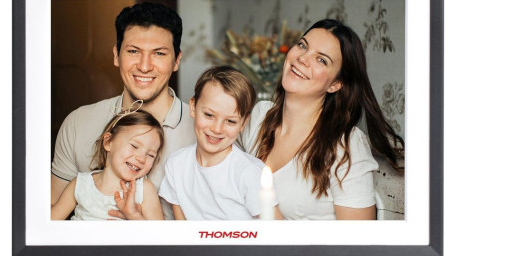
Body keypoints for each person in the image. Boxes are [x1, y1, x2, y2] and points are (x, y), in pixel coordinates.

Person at [239, 19, 404, 220]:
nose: (303, 58)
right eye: (302, 45)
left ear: (335, 84)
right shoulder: (258, 116)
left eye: (321, 60)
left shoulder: (345, 146)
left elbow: (357, 238)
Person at [51, 2, 196, 219]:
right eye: (133, 51)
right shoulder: (78, 122)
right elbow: (49, 215)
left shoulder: (207, 131)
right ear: (116, 55)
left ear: (176, 61)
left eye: (159, 53)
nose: (144, 66)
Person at [158, 66, 278, 220]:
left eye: (230, 121)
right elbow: (182, 228)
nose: (217, 129)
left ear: (243, 123)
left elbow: (276, 229)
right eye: (209, 115)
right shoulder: (176, 164)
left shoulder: (249, 172)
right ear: (193, 107)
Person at [51, 107, 164, 220]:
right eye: (134, 146)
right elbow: (50, 222)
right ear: (108, 141)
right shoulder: (80, 184)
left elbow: (159, 231)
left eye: (151, 155)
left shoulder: (144, 190)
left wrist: (133, 215)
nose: (141, 159)